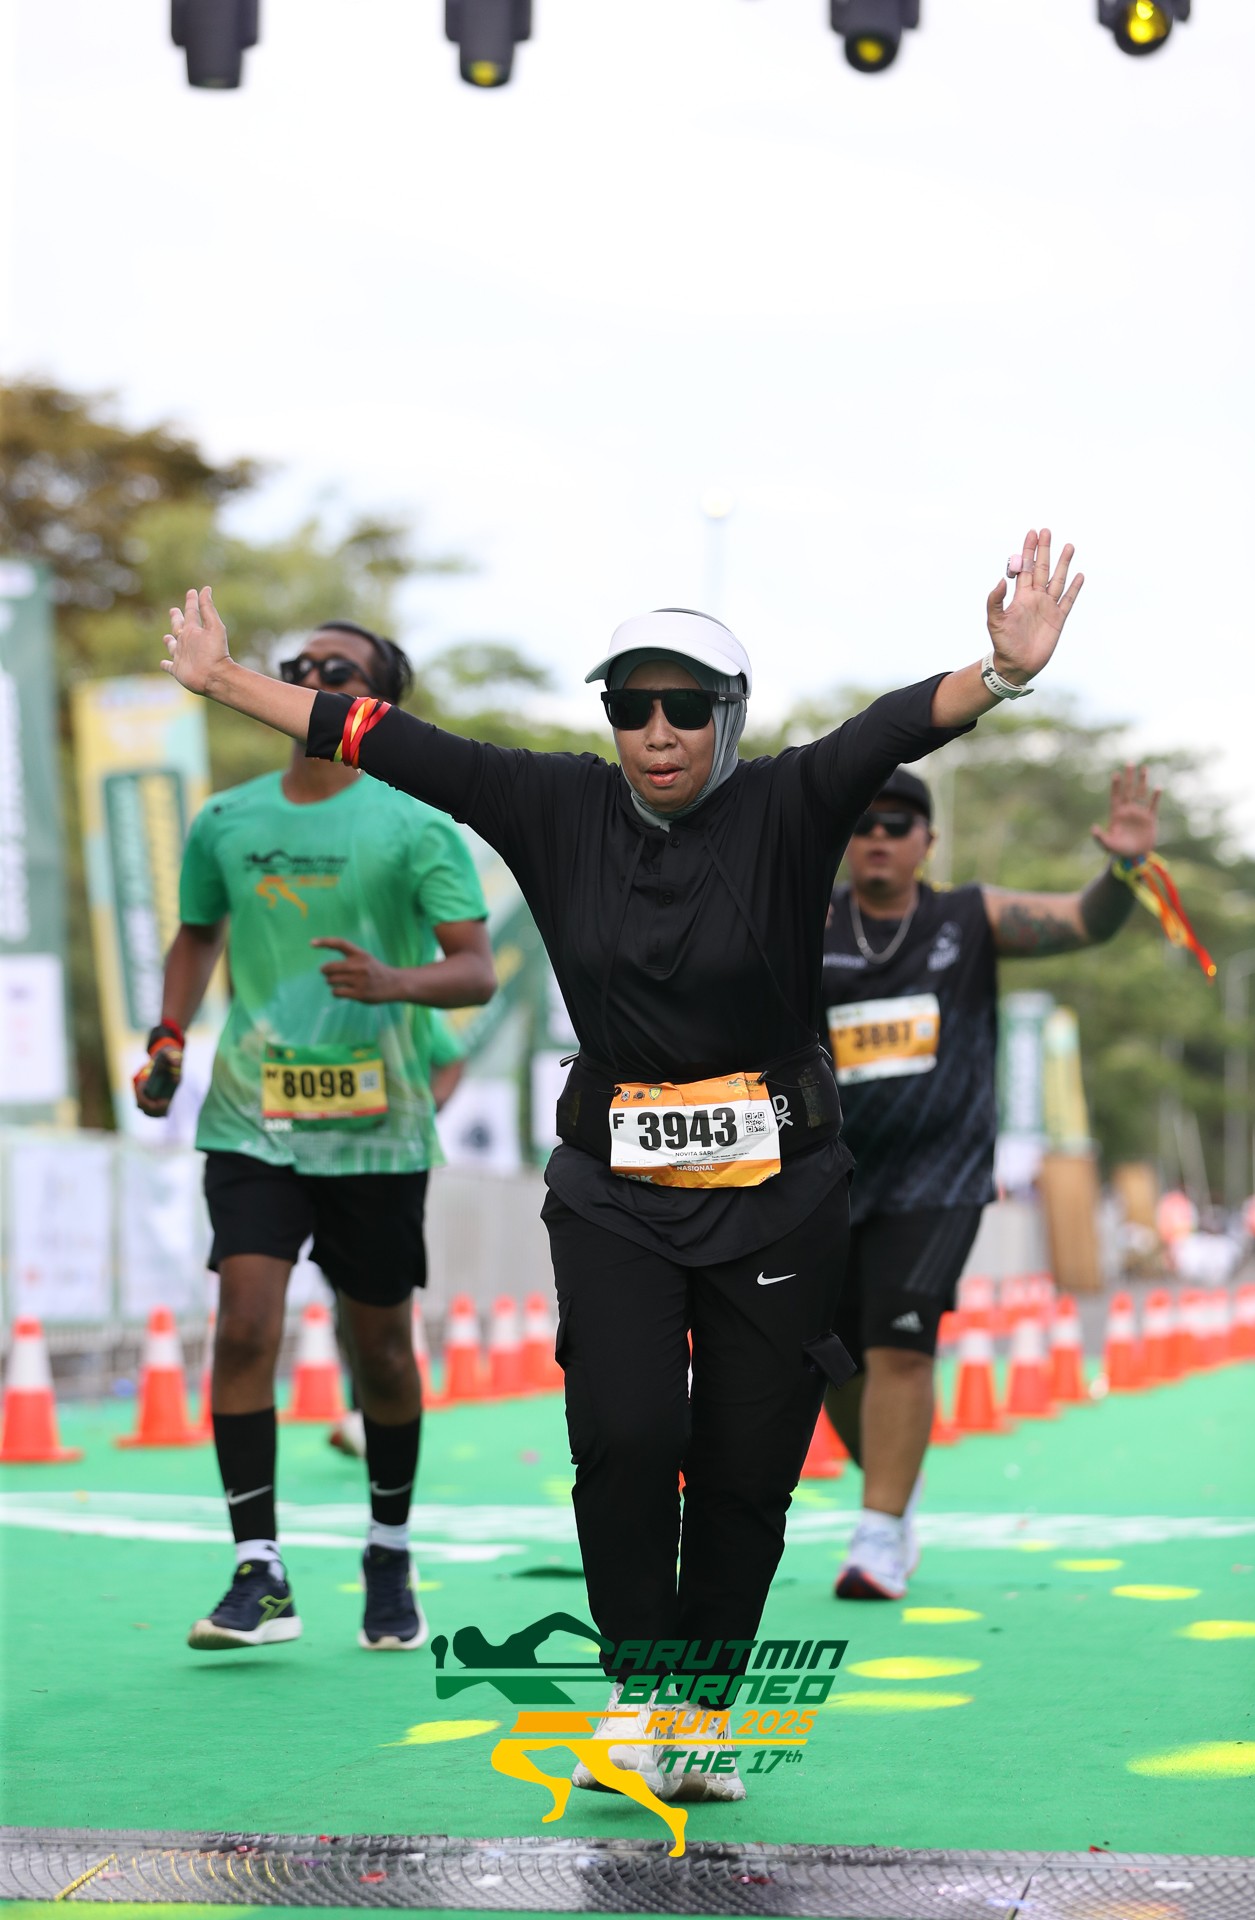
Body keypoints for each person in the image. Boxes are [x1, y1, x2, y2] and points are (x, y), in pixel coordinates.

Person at [160, 526, 1084, 1801]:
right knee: (627, 1431)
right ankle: (641, 1694)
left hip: (780, 1191)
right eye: (631, 708)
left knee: (747, 1466)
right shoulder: (552, 804)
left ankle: (698, 1718)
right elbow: (379, 736)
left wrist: (1003, 672)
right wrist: (223, 681)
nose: (656, 732)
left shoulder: (790, 801)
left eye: (685, 709)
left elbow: (892, 727)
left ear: (728, 717)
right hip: (614, 1191)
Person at [133, 620, 496, 1652]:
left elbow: (473, 970)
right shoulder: (225, 819)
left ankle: (388, 1549)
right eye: (297, 668)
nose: (309, 680)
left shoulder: (417, 825)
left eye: (339, 672)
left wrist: (394, 983)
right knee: (245, 1326)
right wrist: (168, 1035)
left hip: (377, 1129)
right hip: (253, 1116)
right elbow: (198, 933)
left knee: (378, 1347)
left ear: (379, 704)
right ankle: (259, 1570)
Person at [822, 759, 1162, 1601]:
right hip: (828, 1176)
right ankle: (895, 1488)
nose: (877, 837)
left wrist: (1125, 868)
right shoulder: (806, 922)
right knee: (833, 1363)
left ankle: (879, 1535)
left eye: (896, 824)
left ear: (927, 840)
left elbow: (1084, 920)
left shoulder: (968, 917)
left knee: (901, 1346)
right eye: (863, 824)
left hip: (939, 1176)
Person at [329, 1007, 469, 1460]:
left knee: (380, 1304)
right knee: (342, 1299)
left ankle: (376, 1418)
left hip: (389, 1165)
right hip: (323, 1160)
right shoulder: (314, 1005)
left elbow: (452, 1057)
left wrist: (428, 1107)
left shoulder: (408, 1003)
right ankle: (361, 1409)